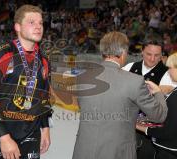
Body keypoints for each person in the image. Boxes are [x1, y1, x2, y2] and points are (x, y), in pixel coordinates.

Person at [72, 31, 168, 159]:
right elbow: (159, 116)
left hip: (84, 149)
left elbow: (85, 106)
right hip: (117, 151)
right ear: (123, 53)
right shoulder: (134, 81)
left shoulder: (83, 77)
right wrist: (158, 93)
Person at [0, 5, 52, 159]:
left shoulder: (43, 59)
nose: (38, 27)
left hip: (30, 134)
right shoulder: (3, 54)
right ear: (17, 26)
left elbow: (44, 98)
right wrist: (4, 137)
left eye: (40, 23)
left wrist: (45, 128)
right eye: (31, 22)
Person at [122, 33, 174, 159]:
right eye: (148, 54)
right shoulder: (129, 67)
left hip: (150, 135)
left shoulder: (169, 75)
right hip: (125, 127)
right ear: (142, 51)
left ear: (162, 55)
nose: (152, 59)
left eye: (157, 55)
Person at [136, 53, 177, 159]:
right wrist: (158, 92)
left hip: (169, 151)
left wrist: (139, 126)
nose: (168, 71)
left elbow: (167, 130)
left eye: (170, 68)